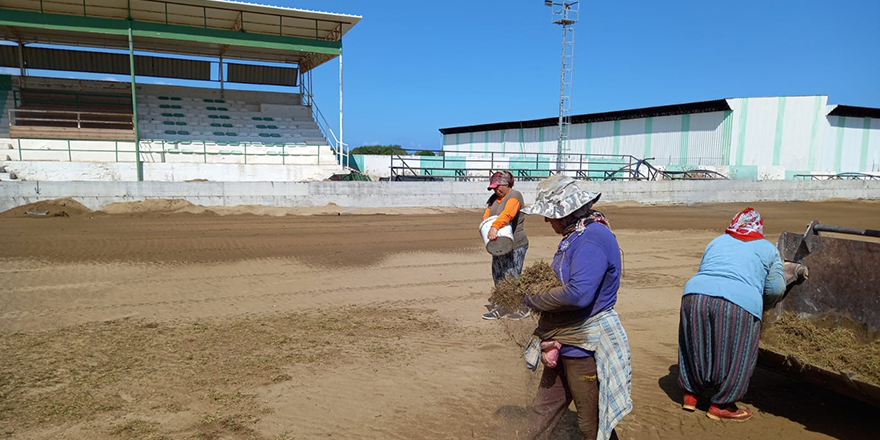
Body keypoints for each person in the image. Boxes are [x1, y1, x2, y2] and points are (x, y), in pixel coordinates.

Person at [521, 174, 631, 440]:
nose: (547, 220)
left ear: (567, 212)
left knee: (590, 422)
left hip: (584, 346)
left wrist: (531, 299)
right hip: (562, 340)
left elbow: (578, 294)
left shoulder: (592, 238)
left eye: (550, 215)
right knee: (543, 411)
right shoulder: (575, 235)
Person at [677, 207, 786, 421]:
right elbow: (776, 288)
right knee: (738, 353)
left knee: (696, 344)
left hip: (695, 294)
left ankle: (691, 394)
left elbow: (706, 269)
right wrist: (763, 304)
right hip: (738, 302)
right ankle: (722, 405)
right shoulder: (767, 249)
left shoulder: (716, 241)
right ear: (759, 227)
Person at [482, 170, 530, 320]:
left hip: (516, 243)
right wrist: (487, 229)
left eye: (498, 186)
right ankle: (502, 306)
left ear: (507, 184)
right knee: (498, 275)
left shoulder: (514, 196)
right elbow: (486, 217)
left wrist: (495, 227)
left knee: (513, 275)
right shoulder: (493, 199)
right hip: (499, 244)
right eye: (493, 187)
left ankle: (522, 307)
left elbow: (507, 214)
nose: (495, 190)